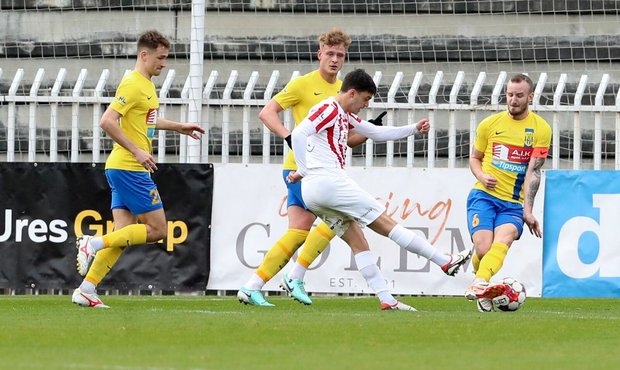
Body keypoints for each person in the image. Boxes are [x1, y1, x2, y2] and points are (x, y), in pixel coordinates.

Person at [286, 68, 472, 311]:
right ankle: (444, 261)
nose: (365, 105)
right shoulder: (330, 108)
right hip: (328, 181)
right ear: (352, 93)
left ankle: (386, 299)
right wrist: (303, 168)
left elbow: (375, 132)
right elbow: (299, 133)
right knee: (387, 223)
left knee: (357, 240)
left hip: (315, 191)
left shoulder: (343, 114)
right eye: (365, 99)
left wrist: (413, 128)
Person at [237, 28, 382, 307]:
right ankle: (292, 277)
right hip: (301, 169)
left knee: (300, 231)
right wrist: (290, 137)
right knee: (339, 219)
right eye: (330, 53)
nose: (335, 59)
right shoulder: (302, 85)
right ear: (319, 54)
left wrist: (369, 131)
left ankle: (255, 284)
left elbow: (346, 141)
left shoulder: (345, 92)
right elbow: (267, 113)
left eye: (340, 55)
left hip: (325, 173)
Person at [71, 30, 205, 308]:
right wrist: (137, 150)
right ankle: (92, 243)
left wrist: (180, 127)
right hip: (129, 167)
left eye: (166, 58)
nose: (164, 63)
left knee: (121, 235)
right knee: (158, 230)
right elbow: (107, 121)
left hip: (122, 168)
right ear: (144, 55)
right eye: (160, 58)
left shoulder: (146, 85)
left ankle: (86, 289)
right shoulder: (132, 84)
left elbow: (147, 122)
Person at [464, 73, 552, 312]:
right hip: (484, 196)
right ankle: (480, 275)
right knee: (483, 250)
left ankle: (479, 283)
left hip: (513, 203)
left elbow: (534, 172)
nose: (513, 100)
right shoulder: (489, 125)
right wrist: (482, 176)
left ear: (530, 97)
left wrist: (528, 210)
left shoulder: (540, 129)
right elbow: (474, 158)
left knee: (503, 240)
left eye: (519, 95)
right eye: (510, 95)